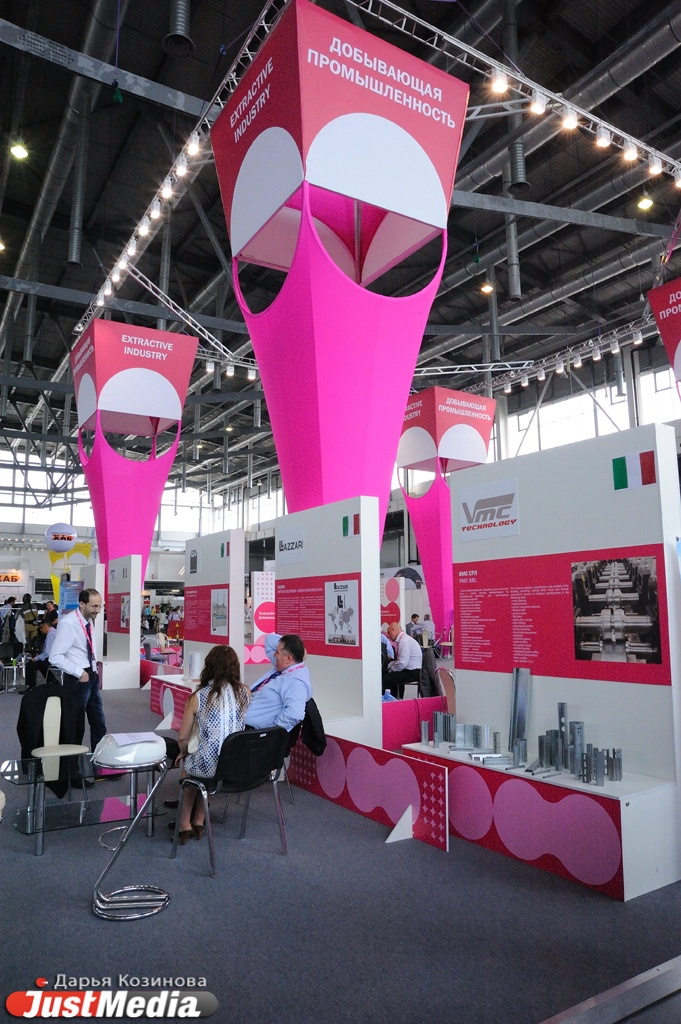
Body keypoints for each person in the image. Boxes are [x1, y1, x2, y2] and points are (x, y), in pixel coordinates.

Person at [170, 645, 250, 844]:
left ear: (209, 666)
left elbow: (183, 737)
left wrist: (183, 752)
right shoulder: (245, 693)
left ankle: (184, 824)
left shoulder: (198, 697)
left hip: (209, 765)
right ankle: (199, 819)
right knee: (213, 760)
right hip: (235, 766)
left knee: (190, 766)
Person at [49, 588, 107, 753]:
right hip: (78, 679)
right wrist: (79, 673)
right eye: (94, 606)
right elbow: (55, 656)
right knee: (74, 726)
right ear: (82, 604)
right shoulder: (68, 623)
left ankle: (99, 759)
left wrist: (93, 670)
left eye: (100, 606)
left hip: (91, 675)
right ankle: (71, 765)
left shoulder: (89, 620)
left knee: (99, 723)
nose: (98, 610)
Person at [245, 633, 312, 733]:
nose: (273, 654)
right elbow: (269, 639)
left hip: (252, 733)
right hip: (241, 720)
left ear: (288, 658)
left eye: (277, 652)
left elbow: (295, 714)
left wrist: (272, 732)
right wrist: (299, 650)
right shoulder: (285, 665)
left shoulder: (296, 682)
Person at [382, 621, 422, 699]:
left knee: (386, 678)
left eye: (389, 633)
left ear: (393, 630)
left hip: (412, 672)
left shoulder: (404, 641)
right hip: (413, 670)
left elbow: (402, 663)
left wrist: (391, 669)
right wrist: (391, 665)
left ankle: (391, 700)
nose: (389, 636)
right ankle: (399, 697)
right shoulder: (406, 639)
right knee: (395, 675)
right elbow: (401, 661)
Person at [25, 617, 58, 689]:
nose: (40, 630)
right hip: (57, 657)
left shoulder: (51, 634)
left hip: (53, 658)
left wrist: (36, 658)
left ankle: (31, 686)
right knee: (41, 664)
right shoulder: (55, 632)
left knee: (30, 664)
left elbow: (47, 652)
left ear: (45, 626)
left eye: (41, 628)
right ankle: (53, 681)